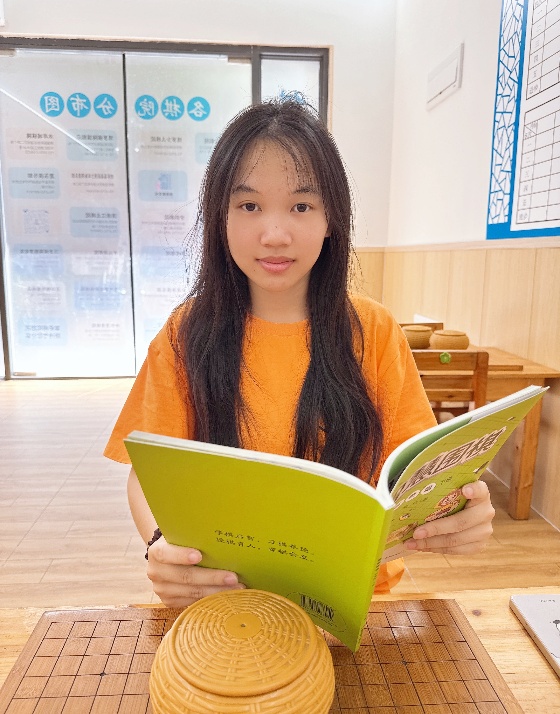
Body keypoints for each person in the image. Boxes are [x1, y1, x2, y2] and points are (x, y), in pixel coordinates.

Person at [104, 99, 495, 607]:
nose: (275, 235)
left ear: (332, 218)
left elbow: (418, 473)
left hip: (355, 601)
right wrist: (162, 545)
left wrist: (459, 511)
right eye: (249, 206)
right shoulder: (187, 333)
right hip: (223, 599)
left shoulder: (373, 331)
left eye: (301, 206)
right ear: (220, 218)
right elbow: (148, 473)